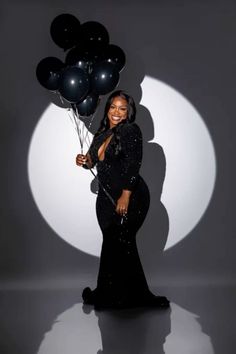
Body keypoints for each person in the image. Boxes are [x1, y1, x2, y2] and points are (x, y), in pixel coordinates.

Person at [76, 90, 169, 310]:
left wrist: (125, 196)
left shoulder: (130, 130)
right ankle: (111, 294)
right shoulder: (101, 134)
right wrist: (84, 160)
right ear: (107, 109)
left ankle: (131, 297)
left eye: (122, 108)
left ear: (128, 113)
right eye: (113, 107)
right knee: (111, 244)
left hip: (131, 196)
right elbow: (92, 161)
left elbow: (133, 165)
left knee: (122, 242)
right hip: (106, 198)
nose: (116, 113)